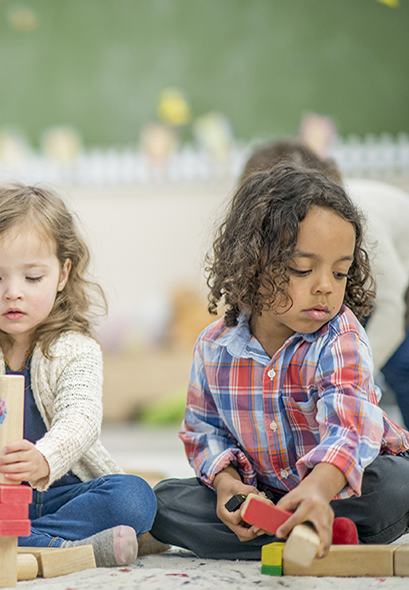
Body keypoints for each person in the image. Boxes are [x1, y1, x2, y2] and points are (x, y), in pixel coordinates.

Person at [149, 163, 409, 560]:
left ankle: (301, 525)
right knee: (163, 502)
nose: (325, 285)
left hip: (344, 484)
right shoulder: (214, 346)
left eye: (340, 273)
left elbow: (350, 429)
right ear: (253, 266)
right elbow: (205, 431)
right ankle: (311, 534)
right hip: (268, 493)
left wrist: (318, 490)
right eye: (302, 269)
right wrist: (227, 485)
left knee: (397, 486)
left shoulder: (342, 336)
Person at [0, 184, 157, 567]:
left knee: (135, 496)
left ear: (62, 274)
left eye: (33, 278)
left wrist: (44, 456)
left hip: (64, 494)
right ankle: (62, 550)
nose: (13, 293)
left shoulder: (76, 348)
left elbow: (82, 418)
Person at [240, 139, 409, 426]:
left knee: (401, 365)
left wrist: (348, 374)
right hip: (379, 293)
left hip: (396, 293)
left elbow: (392, 312)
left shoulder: (350, 222)